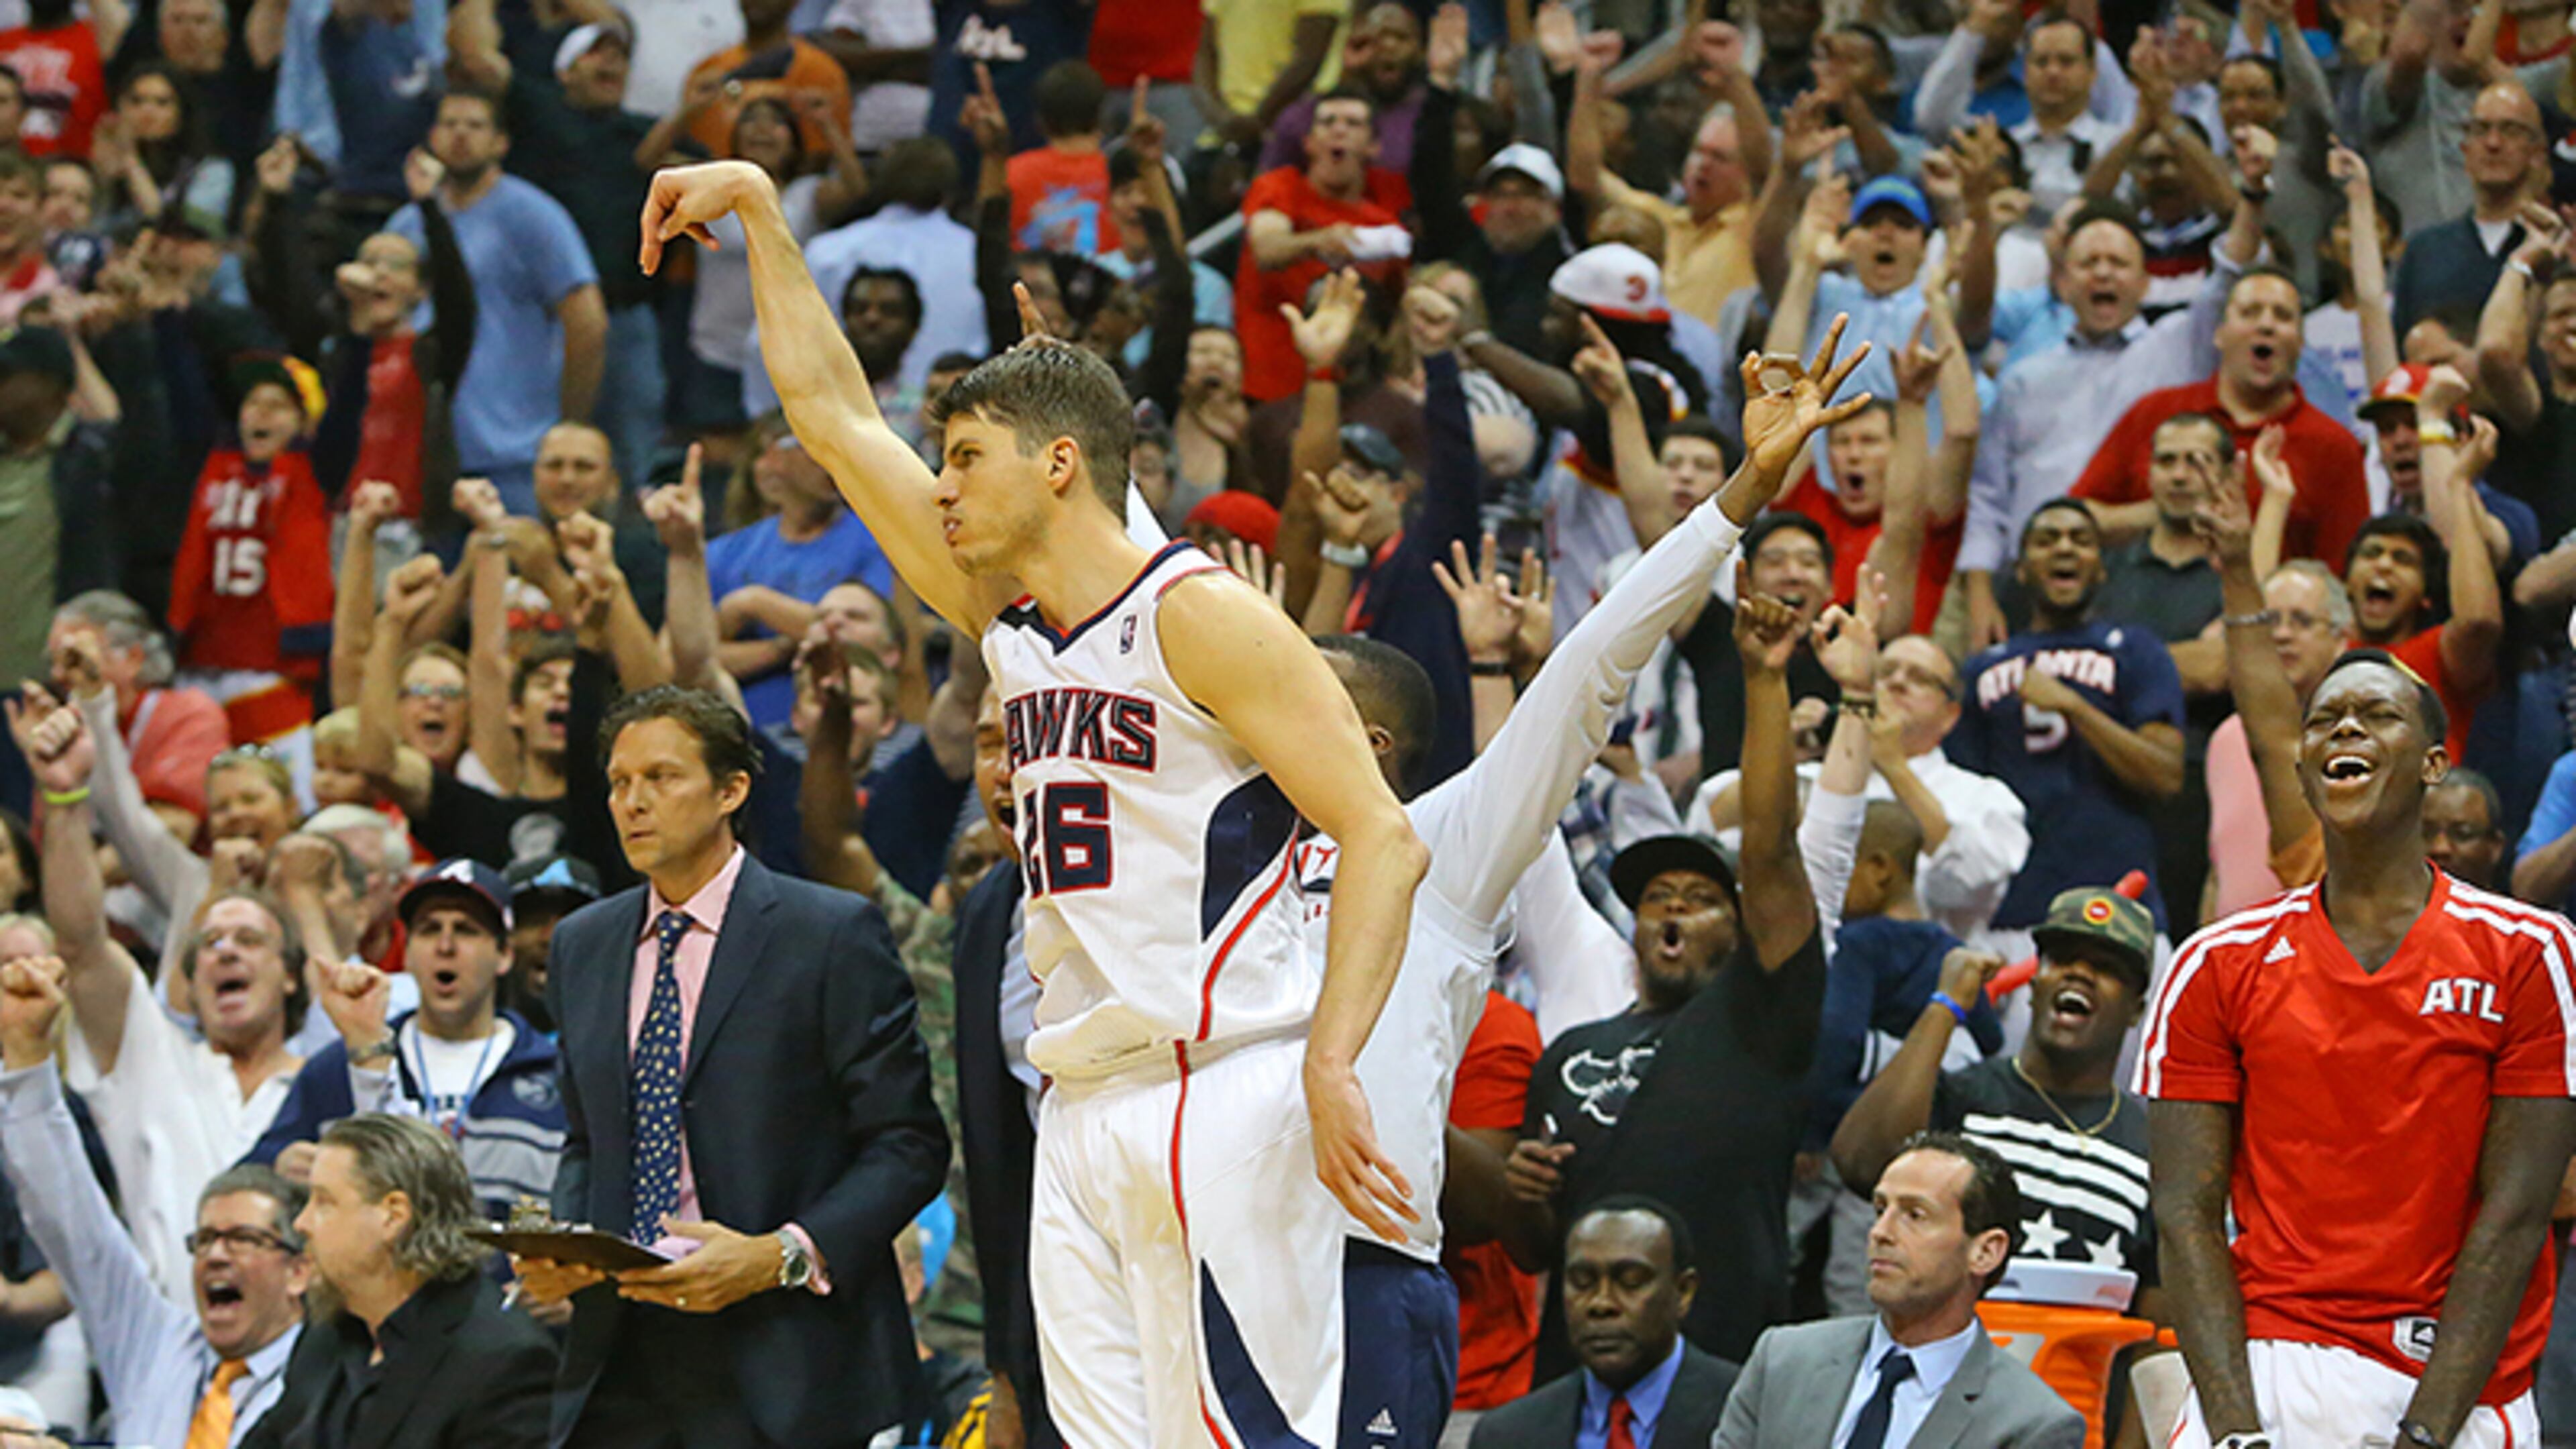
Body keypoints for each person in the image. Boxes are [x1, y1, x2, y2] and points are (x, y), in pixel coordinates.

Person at [638, 158, 1428, 1448]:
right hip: (1076, 1106)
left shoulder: (1200, 616)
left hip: (1218, 1085)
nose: (937, 486)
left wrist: (1334, 1058)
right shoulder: (1010, 625)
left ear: (1060, 464)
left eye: (962, 458)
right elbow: (837, 420)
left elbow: (1385, 838)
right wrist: (766, 217)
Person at [2140, 649, 2576, 1447]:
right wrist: (2236, 1432)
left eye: (2378, 715)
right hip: (2267, 1366)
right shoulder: (2216, 961)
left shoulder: (2529, 951)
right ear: (2306, 769)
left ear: (2435, 764)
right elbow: (2185, 1214)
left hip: (2455, 1383)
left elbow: (2515, 1216)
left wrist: (2424, 1436)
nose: (2345, 726)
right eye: (2323, 720)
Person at [513, 687, 947, 1447]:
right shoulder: (583, 945)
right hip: (621, 1349)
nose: (633, 803)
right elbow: (589, 1139)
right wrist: (570, 1248)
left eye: (661, 778)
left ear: (731, 790)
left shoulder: (829, 934)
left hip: (787, 1348)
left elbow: (909, 1145)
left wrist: (780, 1255)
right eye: (619, 783)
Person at [1505, 572, 1829, 1377]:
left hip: (1720, 1369)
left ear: (1740, 926)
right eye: (1655, 900)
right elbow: (1534, 1248)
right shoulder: (1570, 1053)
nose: (1671, 913)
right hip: (1574, 1373)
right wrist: (1523, 1194)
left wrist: (1761, 679)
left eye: (1698, 899)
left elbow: (1771, 848)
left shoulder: (1760, 1021)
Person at [0, 953, 314, 1449]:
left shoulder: (328, 1383)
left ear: (300, 1270)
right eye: (205, 1239)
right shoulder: (157, 1344)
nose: (214, 1255)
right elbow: (71, 1218)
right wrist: (25, 1056)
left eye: (242, 1239)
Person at [1833, 888, 2159, 1299]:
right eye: (2060, 959)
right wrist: (1945, 1006)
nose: (2078, 974)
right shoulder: (1967, 1098)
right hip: (1950, 1357)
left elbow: (2154, 1318)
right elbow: (1862, 1162)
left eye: (2105, 967)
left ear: (2135, 1009)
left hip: (2077, 1362)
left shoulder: (2151, 1152)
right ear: (2035, 983)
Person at [1713, 1133, 2086, 1448]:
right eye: (1880, 1209)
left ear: (1985, 1252)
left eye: (1915, 1215)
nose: (1880, 1232)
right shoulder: (1782, 1361)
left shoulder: (2033, 1425)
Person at [247, 860, 565, 1225]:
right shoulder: (342, 1064)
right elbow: (246, 1180)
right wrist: (279, 1169)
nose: (446, 946)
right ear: (409, 953)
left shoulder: (553, 1072)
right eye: (429, 930)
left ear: (504, 955)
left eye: (466, 930)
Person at [1947, 500, 2187, 940]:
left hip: (2123, 909)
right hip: (2011, 916)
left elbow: (2166, 776)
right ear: (2020, 569)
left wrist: (2076, 708)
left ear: (2101, 567)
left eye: (2081, 540)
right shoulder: (1981, 670)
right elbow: (1958, 799)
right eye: (2046, 540)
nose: (2064, 549)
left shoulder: (2136, 650)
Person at [269, 1114, 553, 1448]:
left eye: (324, 1202)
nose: (301, 1224)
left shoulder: (505, 1361)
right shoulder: (327, 1332)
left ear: (393, 1216)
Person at [386, 89, 605, 517]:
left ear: (501, 142)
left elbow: (588, 320)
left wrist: (567, 421)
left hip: (514, 452)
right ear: (432, 137)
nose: (460, 136)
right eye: (449, 125)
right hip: (426, 451)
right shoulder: (408, 222)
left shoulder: (533, 215)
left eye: (475, 126)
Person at [1466, 1199, 1741, 1449]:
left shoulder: (1746, 1412)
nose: (1601, 1303)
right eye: (1582, 1282)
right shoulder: (1507, 1435)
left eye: (1631, 1281)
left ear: (1683, 1292)